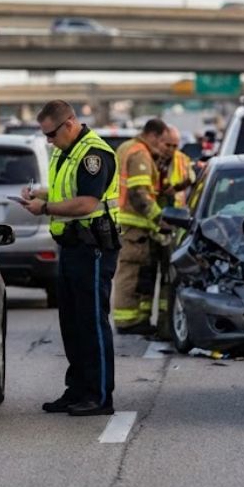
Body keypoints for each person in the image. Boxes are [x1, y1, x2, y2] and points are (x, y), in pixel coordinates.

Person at [18, 100, 120, 417]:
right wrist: (42, 195)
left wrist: (45, 209)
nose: (48, 140)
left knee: (91, 323)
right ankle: (77, 389)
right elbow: (67, 193)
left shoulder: (93, 154)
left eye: (51, 134)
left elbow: (87, 203)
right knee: (72, 324)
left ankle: (100, 396)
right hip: (72, 246)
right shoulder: (66, 150)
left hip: (93, 247)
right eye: (45, 136)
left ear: (70, 124)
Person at [111, 118, 168, 335]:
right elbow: (139, 193)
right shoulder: (140, 153)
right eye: (161, 140)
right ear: (152, 135)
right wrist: (159, 218)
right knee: (131, 272)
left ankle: (137, 319)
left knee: (139, 273)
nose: (162, 146)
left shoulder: (126, 147)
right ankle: (127, 321)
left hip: (126, 222)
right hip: (134, 224)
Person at [156, 126, 195, 209]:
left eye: (175, 146)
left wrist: (177, 188)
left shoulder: (183, 159)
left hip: (177, 212)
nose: (171, 149)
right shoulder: (150, 157)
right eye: (168, 145)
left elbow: (192, 177)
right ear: (159, 142)